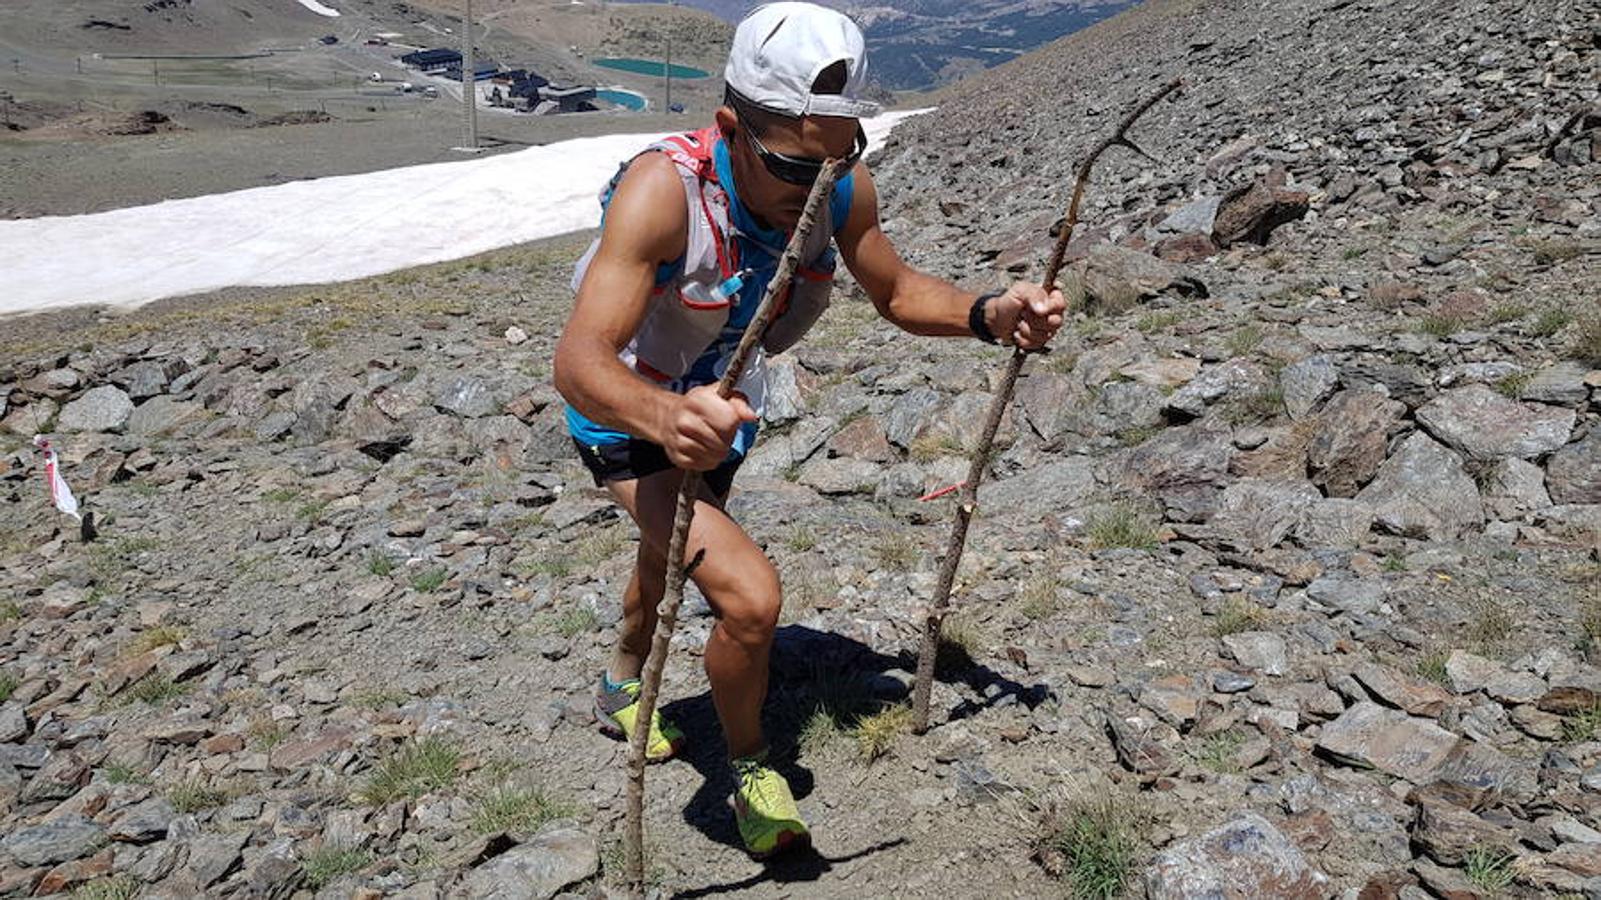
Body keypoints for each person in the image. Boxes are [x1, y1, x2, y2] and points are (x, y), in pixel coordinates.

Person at [552, 1, 1064, 859]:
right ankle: (749, 764)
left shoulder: (836, 179)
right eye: (794, 167)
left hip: (721, 410)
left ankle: (618, 683)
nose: (815, 189)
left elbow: (897, 293)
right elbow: (579, 360)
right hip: (631, 410)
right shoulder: (660, 191)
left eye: (839, 160)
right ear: (730, 127)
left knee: (668, 546)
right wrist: (666, 415)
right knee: (748, 597)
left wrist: (988, 311)